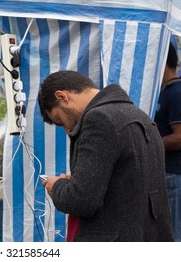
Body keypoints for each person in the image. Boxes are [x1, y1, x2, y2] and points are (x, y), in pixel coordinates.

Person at [38, 70, 174, 242]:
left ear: (62, 97)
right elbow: (130, 184)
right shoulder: (142, 117)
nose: (68, 131)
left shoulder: (98, 119)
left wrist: (56, 186)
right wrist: (80, 180)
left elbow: (81, 201)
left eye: (60, 121)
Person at [154, 42, 181, 241]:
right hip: (168, 173)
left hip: (174, 174)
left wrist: (148, 144)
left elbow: (179, 137)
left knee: (173, 234)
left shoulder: (176, 92)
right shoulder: (165, 91)